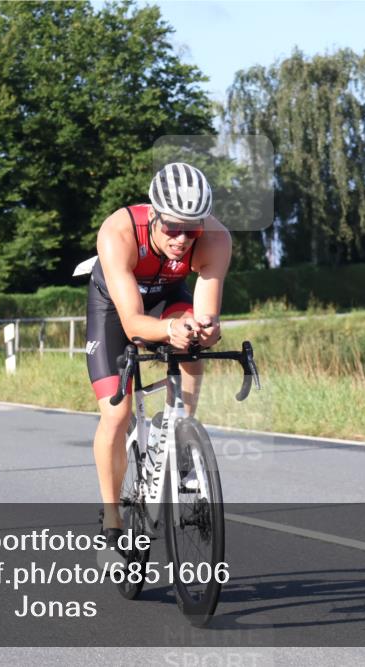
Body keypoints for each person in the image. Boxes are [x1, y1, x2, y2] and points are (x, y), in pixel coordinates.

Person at [85, 163, 231, 562]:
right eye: (172, 228)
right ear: (153, 215)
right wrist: (169, 331)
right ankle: (112, 518)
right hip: (115, 307)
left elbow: (206, 314)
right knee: (117, 413)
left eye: (192, 229)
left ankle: (182, 433)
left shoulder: (215, 239)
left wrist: (204, 329)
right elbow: (133, 322)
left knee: (193, 345)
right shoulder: (118, 232)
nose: (183, 239)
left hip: (168, 295)